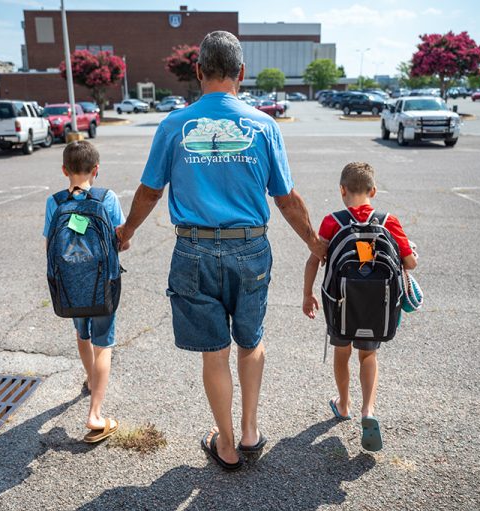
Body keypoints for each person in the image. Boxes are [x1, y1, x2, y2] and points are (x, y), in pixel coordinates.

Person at [116, 30, 327, 471]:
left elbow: (150, 191)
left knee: (216, 352)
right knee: (250, 342)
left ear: (198, 72)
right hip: (250, 249)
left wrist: (127, 230)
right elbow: (285, 198)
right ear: (242, 74)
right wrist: (313, 241)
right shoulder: (263, 126)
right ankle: (251, 432)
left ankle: (226, 445)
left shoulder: (175, 125)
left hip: (193, 251)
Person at [302, 162, 418, 451]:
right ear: (373, 191)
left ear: (342, 190)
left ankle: (343, 405)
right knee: (368, 356)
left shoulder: (333, 221)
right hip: (377, 306)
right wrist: (411, 252)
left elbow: (314, 259)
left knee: (342, 354)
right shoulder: (388, 221)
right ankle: (368, 410)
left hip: (340, 303)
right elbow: (409, 262)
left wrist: (307, 294)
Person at [43, 140, 126, 443]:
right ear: (96, 170)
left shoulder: (54, 202)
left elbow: (48, 246)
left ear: (64, 170)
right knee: (104, 344)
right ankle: (95, 414)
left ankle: (92, 380)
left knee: (83, 335)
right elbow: (121, 240)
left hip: (71, 288)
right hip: (103, 284)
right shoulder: (107, 198)